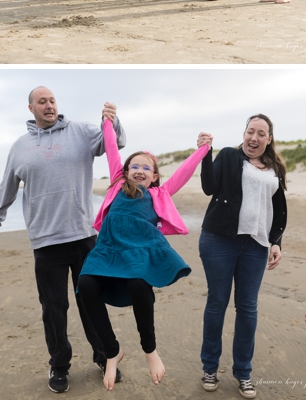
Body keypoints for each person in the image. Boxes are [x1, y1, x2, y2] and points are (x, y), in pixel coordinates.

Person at [0, 88, 125, 393]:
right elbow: (7, 186)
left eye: (52, 101)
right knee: (53, 308)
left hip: (84, 235)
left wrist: (112, 121)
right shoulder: (20, 147)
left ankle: (104, 357)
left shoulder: (81, 132)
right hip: (45, 241)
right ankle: (59, 365)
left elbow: (116, 142)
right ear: (31, 107)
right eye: (42, 102)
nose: (49, 106)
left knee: (91, 303)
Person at [79, 118, 209, 389]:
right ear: (125, 172)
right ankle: (112, 351)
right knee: (85, 285)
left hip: (139, 250)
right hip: (109, 249)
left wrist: (203, 150)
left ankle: (150, 350)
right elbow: (112, 149)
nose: (139, 171)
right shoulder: (117, 186)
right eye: (134, 166)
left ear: (154, 176)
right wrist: (107, 122)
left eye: (146, 168)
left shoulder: (161, 194)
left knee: (139, 286)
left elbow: (184, 172)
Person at [198, 114, 288, 398]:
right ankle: (210, 368)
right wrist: (204, 153)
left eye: (261, 133)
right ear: (244, 133)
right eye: (251, 131)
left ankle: (243, 373)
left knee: (248, 308)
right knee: (217, 303)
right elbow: (208, 187)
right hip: (219, 240)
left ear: (269, 139)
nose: (254, 138)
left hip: (257, 245)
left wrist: (276, 242)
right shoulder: (228, 156)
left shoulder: (276, 169)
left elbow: (277, 208)